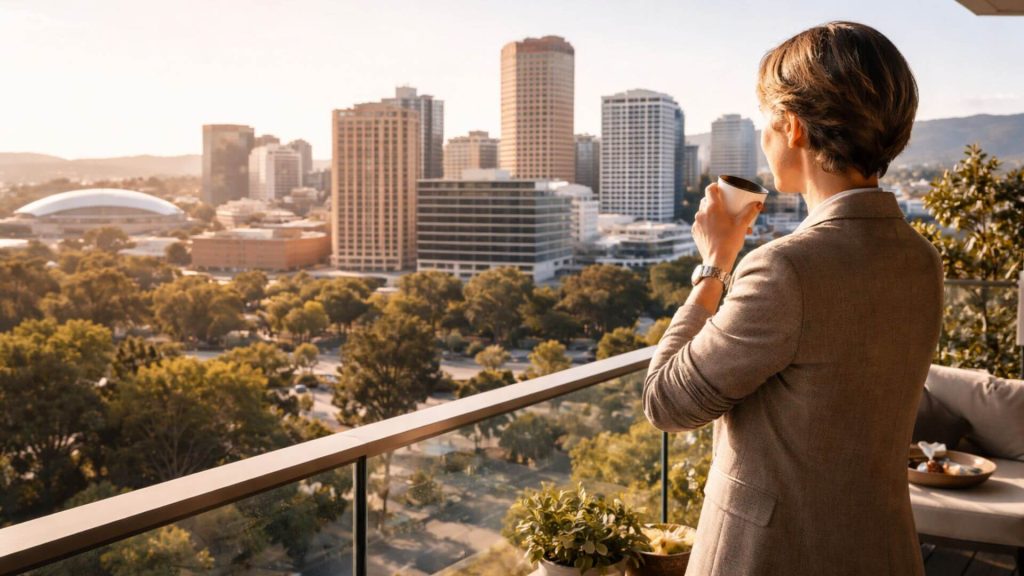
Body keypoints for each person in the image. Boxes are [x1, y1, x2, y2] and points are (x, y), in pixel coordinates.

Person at [643, 21, 942, 576]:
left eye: (766, 122)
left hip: (773, 556)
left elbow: (666, 402)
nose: (765, 137)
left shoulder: (786, 268)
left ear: (793, 126)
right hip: (883, 549)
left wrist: (714, 266)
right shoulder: (921, 260)